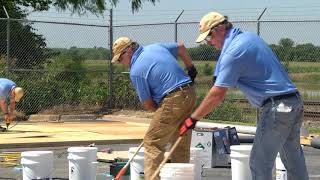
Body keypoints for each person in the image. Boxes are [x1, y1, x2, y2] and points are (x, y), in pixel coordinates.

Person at [179, 12, 309, 180]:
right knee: (293, 161)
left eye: (209, 37)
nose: (208, 43)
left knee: (259, 163)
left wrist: (193, 119)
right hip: (293, 102)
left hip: (277, 108)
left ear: (219, 29)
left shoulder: (234, 51)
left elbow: (217, 94)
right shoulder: (248, 38)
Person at [111, 37, 197, 180]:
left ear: (129, 50)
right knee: (179, 143)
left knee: (152, 143)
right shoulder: (155, 47)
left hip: (172, 99)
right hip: (190, 93)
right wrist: (191, 68)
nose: (122, 64)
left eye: (120, 59)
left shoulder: (136, 71)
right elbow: (181, 47)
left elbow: (148, 104)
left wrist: (162, 112)